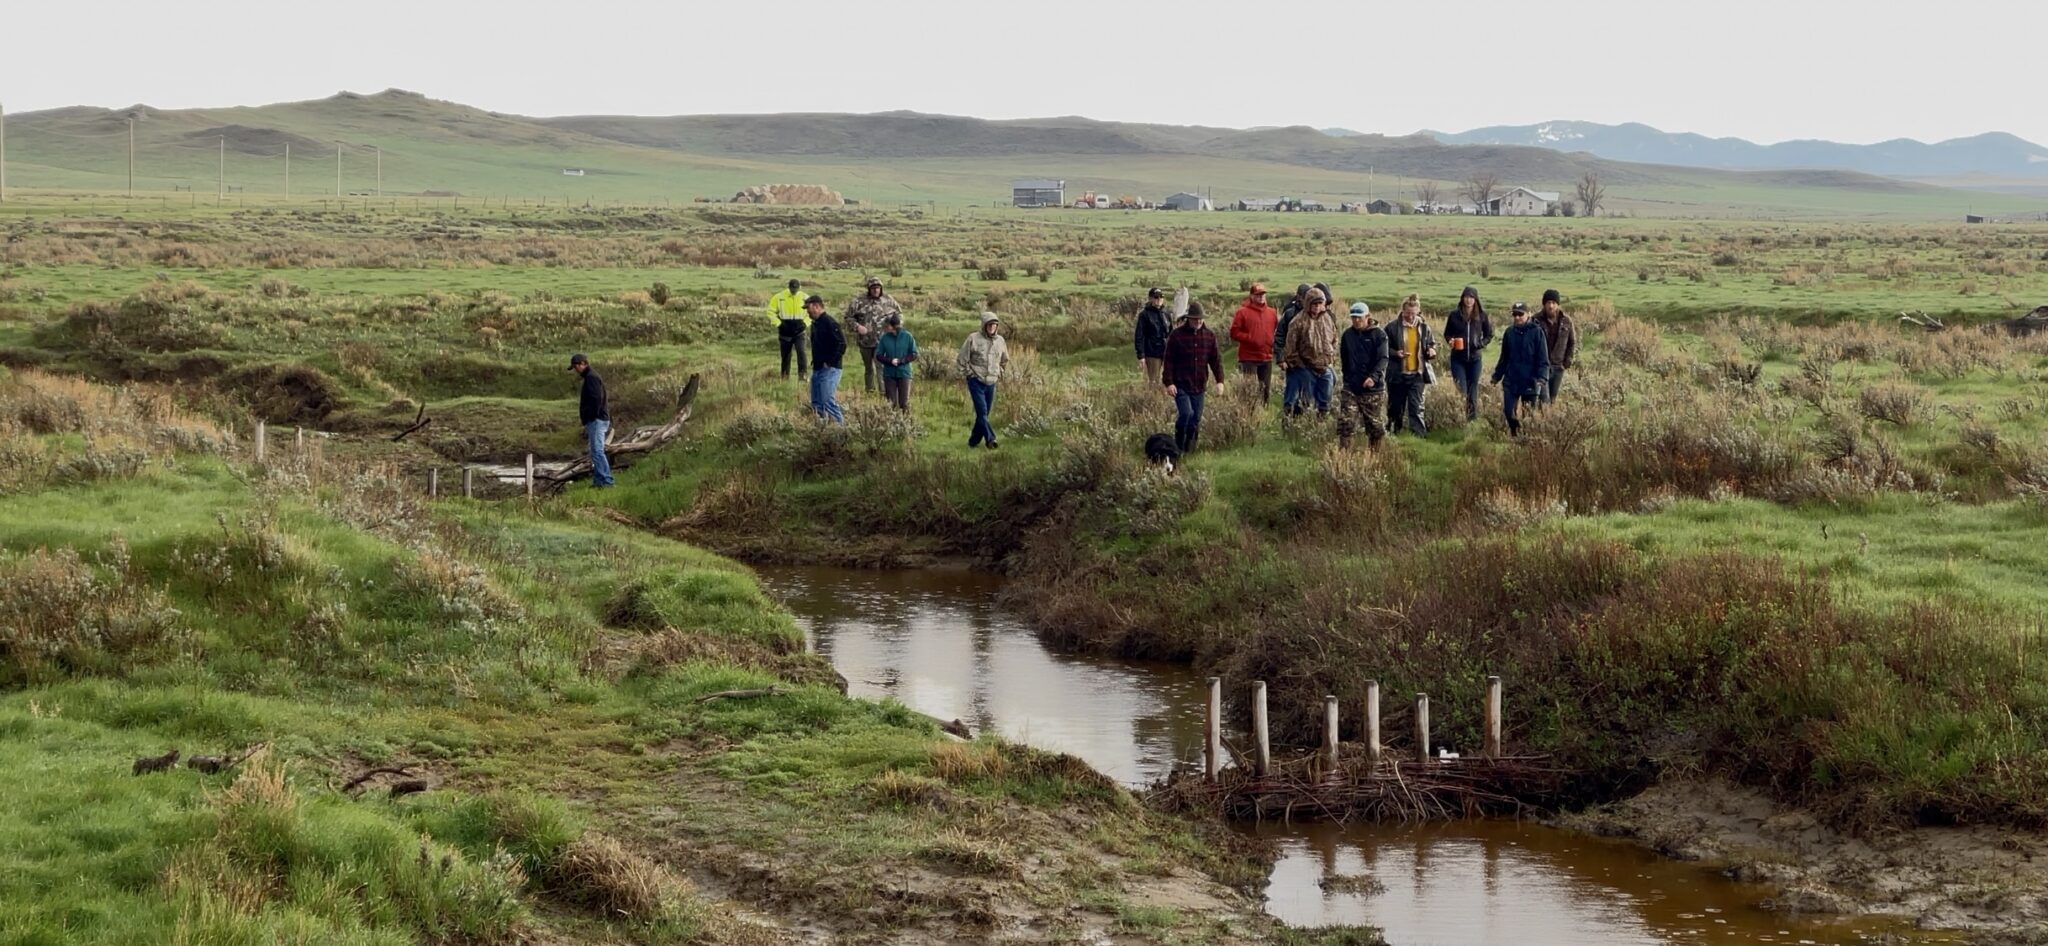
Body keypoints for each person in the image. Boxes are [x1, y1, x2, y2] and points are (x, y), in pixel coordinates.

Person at [1162, 300, 1226, 454]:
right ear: (1188, 318)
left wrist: (1220, 381)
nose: (1198, 321)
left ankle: (1190, 450)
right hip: (1180, 385)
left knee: (1196, 419)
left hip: (1199, 386)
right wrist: (1169, 383)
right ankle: (1178, 446)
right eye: (1194, 319)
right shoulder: (1176, 336)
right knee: (1186, 413)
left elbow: (1216, 360)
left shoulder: (1209, 336)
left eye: (1200, 319)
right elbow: (1168, 360)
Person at [1492, 302, 1550, 436]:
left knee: (1528, 416)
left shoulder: (1537, 332)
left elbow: (1543, 359)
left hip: (1530, 380)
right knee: (1508, 412)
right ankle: (1516, 433)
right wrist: (1496, 376)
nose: (1517, 317)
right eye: (1514, 314)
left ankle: (1526, 440)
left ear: (1528, 314)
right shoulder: (1509, 333)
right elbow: (1504, 358)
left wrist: (1542, 377)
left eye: (1520, 314)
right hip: (1511, 380)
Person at [1336, 302, 1389, 449]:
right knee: (1346, 424)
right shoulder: (1347, 335)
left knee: (1375, 427)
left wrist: (1373, 377)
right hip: (1351, 387)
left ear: (1367, 317)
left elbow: (1383, 359)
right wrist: (1348, 379)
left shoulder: (1379, 335)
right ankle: (1343, 458)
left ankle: (1374, 457)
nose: (1356, 321)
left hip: (1373, 389)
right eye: (1353, 318)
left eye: (1359, 318)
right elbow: (1344, 359)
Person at [1279, 288, 1339, 416]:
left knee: (1325, 401)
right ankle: (1299, 425)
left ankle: (1320, 426)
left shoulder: (1327, 319)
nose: (1317, 307)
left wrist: (1330, 357)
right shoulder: (1298, 322)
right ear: (1308, 304)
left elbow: (1334, 338)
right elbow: (1290, 348)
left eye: (1320, 304)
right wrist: (1301, 366)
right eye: (1314, 304)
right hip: (1306, 367)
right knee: (1306, 401)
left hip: (1324, 367)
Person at [1385, 294, 1437, 436]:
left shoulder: (1424, 327)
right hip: (1398, 374)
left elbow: (1432, 343)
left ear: (1418, 312)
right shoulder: (1392, 328)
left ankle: (1419, 436)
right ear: (1402, 311)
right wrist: (1396, 354)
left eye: (1413, 314)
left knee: (1417, 407)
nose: (1410, 317)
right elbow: (1383, 348)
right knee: (1395, 407)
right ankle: (1394, 433)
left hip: (1417, 374)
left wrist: (1432, 350)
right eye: (1408, 313)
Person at [957, 312, 1009, 449]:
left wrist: (999, 373)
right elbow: (962, 359)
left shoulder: (1000, 341)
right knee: (982, 412)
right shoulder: (973, 338)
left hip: (992, 382)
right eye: (989, 325)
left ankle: (973, 442)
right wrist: (969, 374)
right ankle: (991, 440)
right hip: (976, 381)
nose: (992, 327)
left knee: (984, 414)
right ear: (984, 325)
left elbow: (1004, 360)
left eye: (994, 325)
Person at [1441, 286, 1493, 421]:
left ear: (1475, 300)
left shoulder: (1481, 315)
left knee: (1473, 389)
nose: (1468, 300)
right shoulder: (1454, 315)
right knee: (1461, 389)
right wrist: (1450, 341)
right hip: (1458, 359)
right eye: (1466, 297)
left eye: (1471, 297)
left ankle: (1472, 419)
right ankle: (1459, 417)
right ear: (1462, 298)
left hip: (1475, 359)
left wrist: (1481, 344)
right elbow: (1447, 333)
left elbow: (1489, 334)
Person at [845, 276, 902, 394]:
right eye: (873, 288)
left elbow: (899, 314)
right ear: (869, 289)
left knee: (880, 367)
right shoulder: (859, 301)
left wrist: (894, 326)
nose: (876, 290)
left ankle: (884, 392)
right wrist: (857, 327)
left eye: (878, 288)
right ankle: (870, 391)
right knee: (869, 368)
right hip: (864, 341)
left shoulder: (888, 300)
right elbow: (848, 317)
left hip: (882, 341)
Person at [1228, 282, 1279, 402]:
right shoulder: (1242, 312)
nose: (1261, 297)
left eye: (1263, 294)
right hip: (1249, 357)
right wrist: (1250, 338)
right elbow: (1234, 333)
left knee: (1265, 390)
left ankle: (1263, 416)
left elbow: (1276, 330)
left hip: (1266, 357)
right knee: (1250, 389)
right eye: (1258, 294)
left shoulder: (1272, 313)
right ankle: (1248, 415)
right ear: (1251, 296)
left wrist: (1273, 341)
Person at [569, 352, 613, 487]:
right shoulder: (590, 376)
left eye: (576, 366)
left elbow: (596, 399)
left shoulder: (591, 377)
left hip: (597, 420)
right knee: (595, 452)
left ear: (583, 364)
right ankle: (599, 481)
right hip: (597, 419)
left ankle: (606, 481)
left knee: (598, 451)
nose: (576, 370)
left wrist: (591, 416)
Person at [806, 294, 846, 424]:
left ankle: (841, 429)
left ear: (816, 306)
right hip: (817, 368)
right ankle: (822, 430)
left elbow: (841, 344)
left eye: (808, 308)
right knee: (817, 403)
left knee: (827, 400)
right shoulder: (815, 324)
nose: (807, 312)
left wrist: (830, 362)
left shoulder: (830, 322)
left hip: (829, 369)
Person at [1536, 289, 1577, 404]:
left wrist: (1567, 362)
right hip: (1541, 367)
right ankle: (1540, 420)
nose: (1551, 306)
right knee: (1544, 400)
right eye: (1548, 303)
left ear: (1558, 304)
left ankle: (1549, 420)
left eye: (1553, 303)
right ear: (1544, 304)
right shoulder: (1536, 320)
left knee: (1553, 398)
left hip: (1558, 366)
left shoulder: (1566, 321)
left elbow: (1572, 342)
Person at [1275, 283, 1311, 409]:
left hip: (1310, 362)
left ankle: (1303, 423)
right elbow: (1279, 336)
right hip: (1293, 361)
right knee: (1291, 396)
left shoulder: (1315, 313)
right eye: (1306, 297)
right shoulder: (1290, 314)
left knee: (1308, 395)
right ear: (1299, 297)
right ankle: (1288, 422)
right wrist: (1280, 358)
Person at [874, 314, 918, 412]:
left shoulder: (908, 337)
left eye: (888, 325)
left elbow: (914, 354)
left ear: (892, 326)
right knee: (891, 403)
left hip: (904, 373)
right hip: (889, 374)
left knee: (904, 403)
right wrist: (890, 361)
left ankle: (906, 424)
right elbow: (878, 355)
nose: (886, 327)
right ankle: (891, 424)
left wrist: (902, 361)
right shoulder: (885, 338)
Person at [767, 277, 809, 380]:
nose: (794, 291)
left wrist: (805, 324)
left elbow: (811, 313)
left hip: (800, 331)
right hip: (785, 331)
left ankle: (803, 376)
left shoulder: (805, 297)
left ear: (800, 287)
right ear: (789, 287)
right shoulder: (779, 297)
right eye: (792, 289)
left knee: (802, 353)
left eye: (796, 289)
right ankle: (784, 377)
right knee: (785, 356)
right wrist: (779, 324)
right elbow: (770, 312)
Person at [1133, 288, 1172, 383]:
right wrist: (1141, 355)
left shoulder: (1166, 313)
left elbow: (1171, 333)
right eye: (1156, 297)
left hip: (1166, 351)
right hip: (1152, 352)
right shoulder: (1145, 315)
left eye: (1161, 297)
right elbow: (1139, 335)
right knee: (1154, 380)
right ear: (1150, 299)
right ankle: (1152, 396)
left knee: (1169, 378)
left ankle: (1163, 396)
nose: (1159, 299)